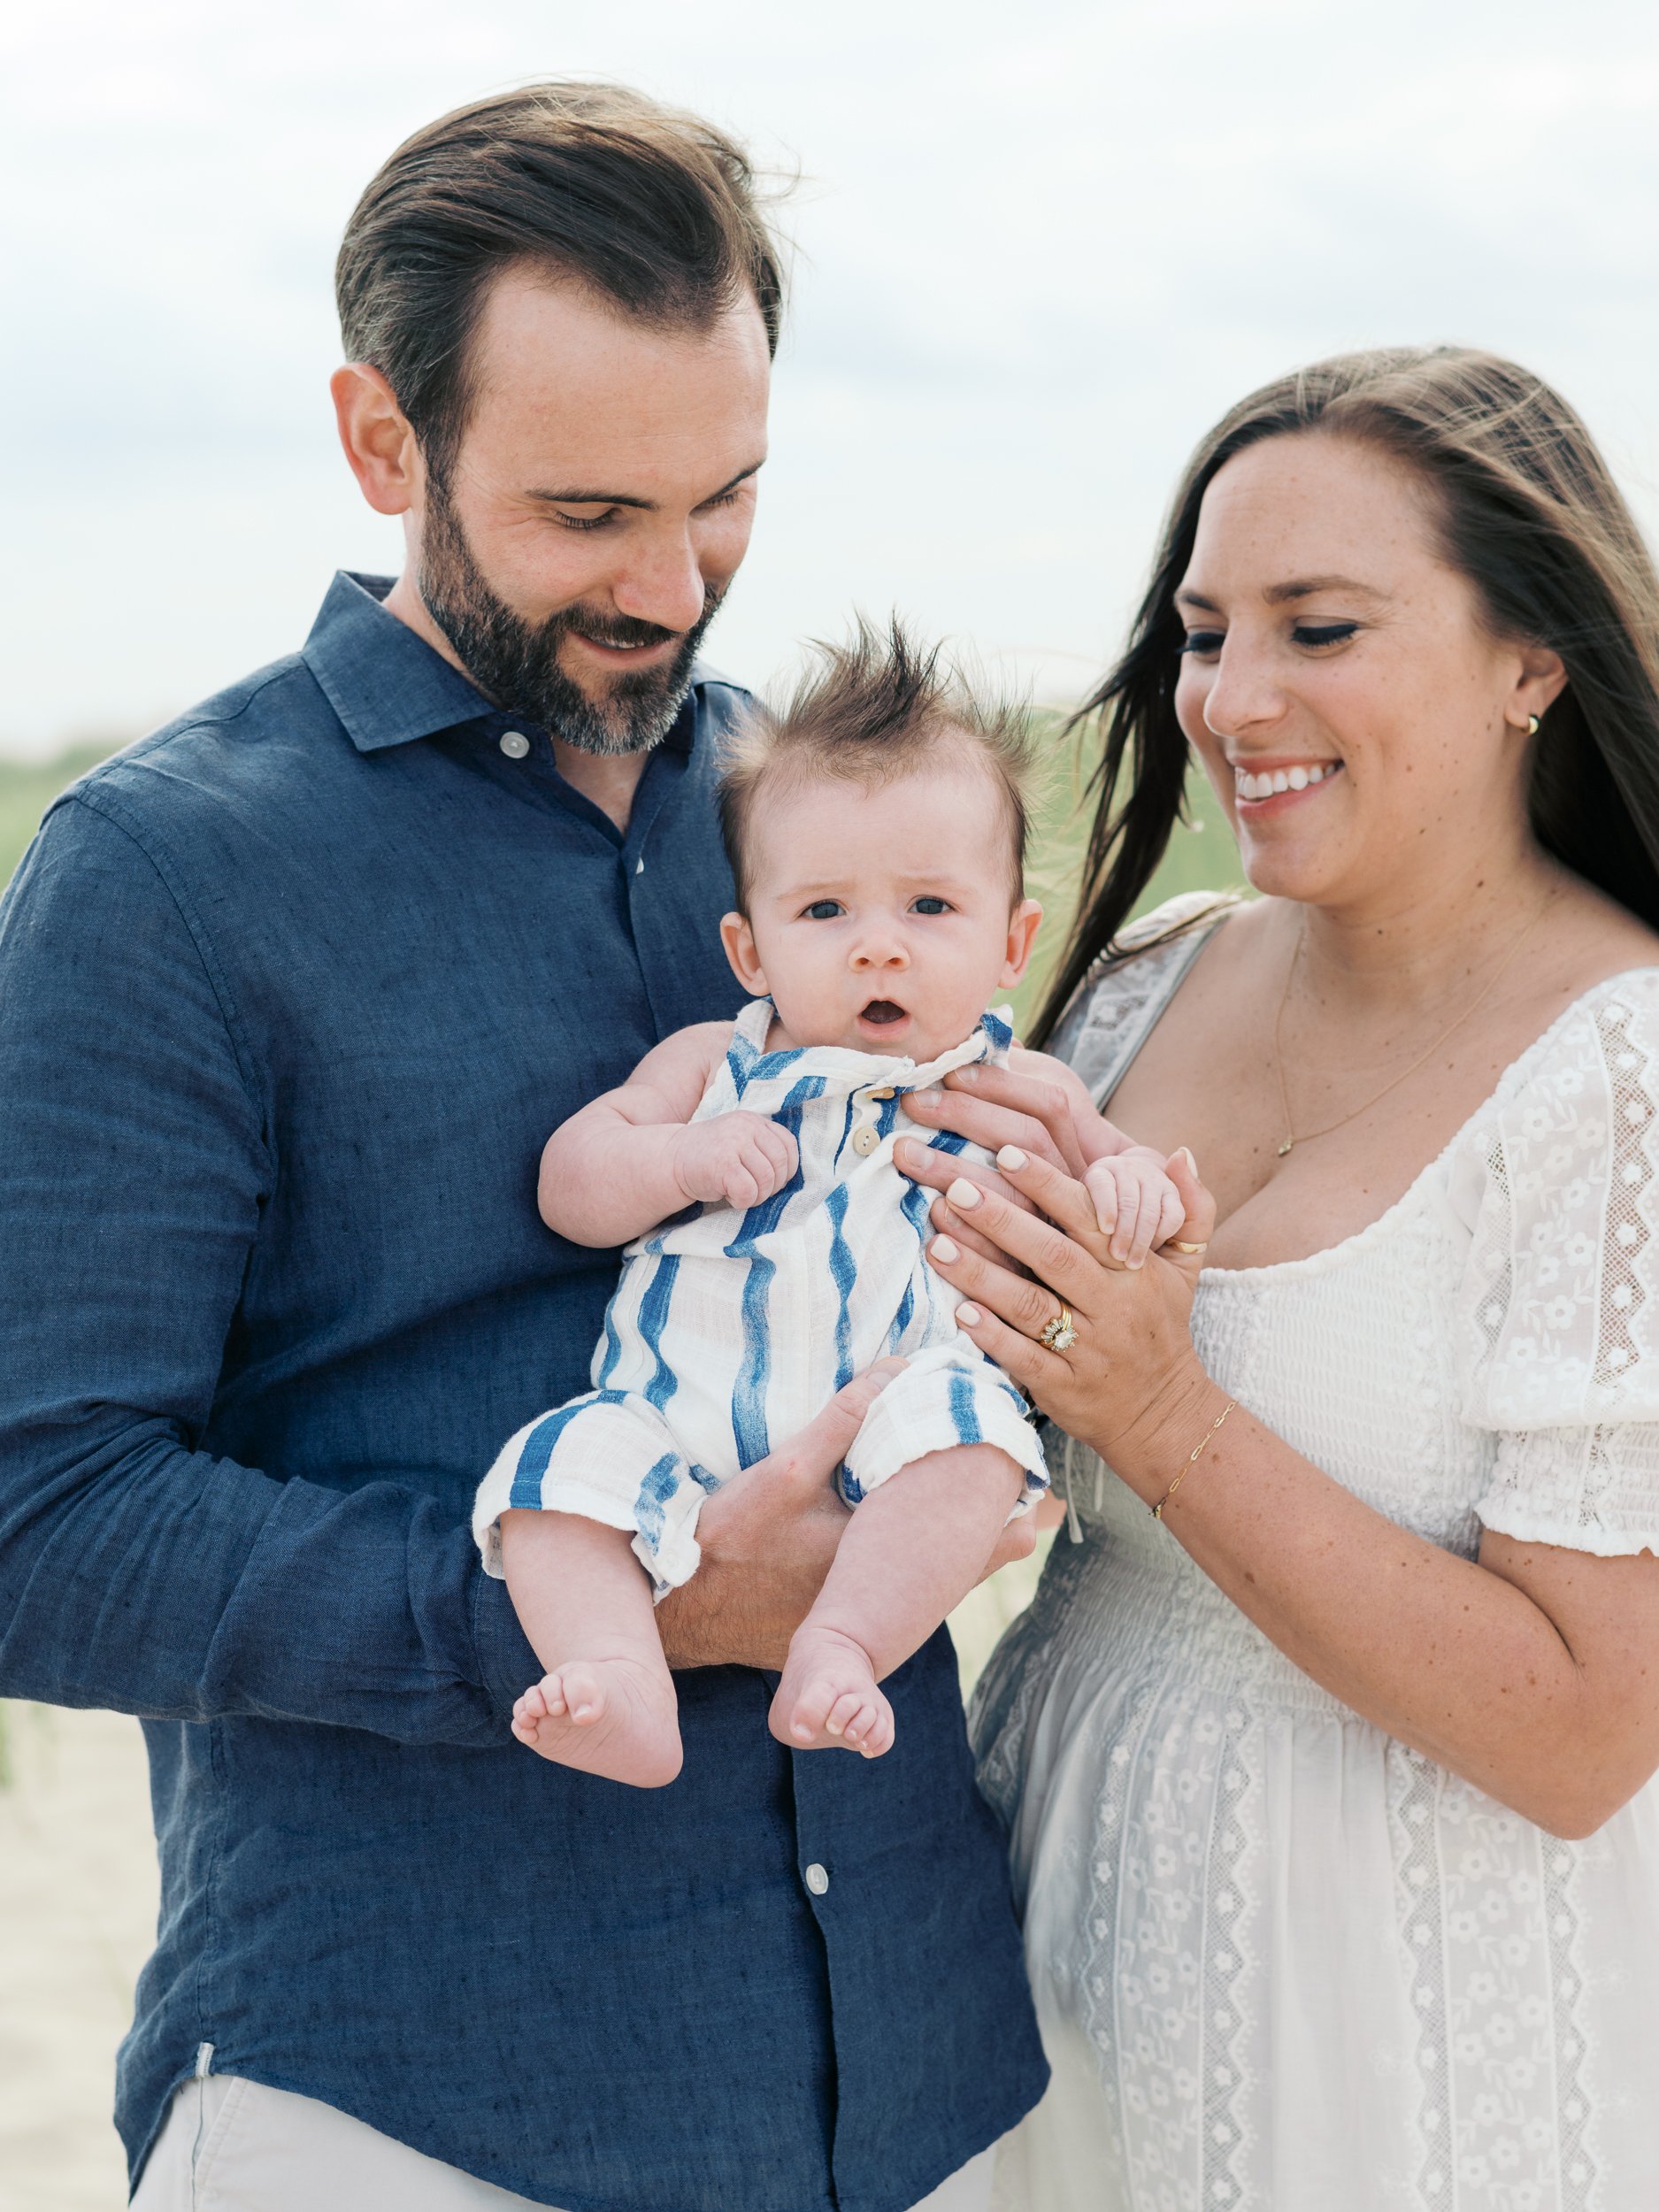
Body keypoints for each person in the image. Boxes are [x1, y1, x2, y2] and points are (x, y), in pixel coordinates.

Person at [0, 84, 1049, 2210]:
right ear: (384, 443)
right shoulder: (161, 878)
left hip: (936, 2080)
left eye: (727, 498)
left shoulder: (814, 817)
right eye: (590, 513)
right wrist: (604, 1612)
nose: (675, 590)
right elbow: (39, 1521)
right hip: (412, 2098)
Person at [889, 348, 1659, 2209]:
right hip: (1041, 1923)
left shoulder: (1621, 1073)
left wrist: (1156, 1409)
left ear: (1527, 660)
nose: (1234, 699)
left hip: (1396, 2017)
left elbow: (1576, 1736)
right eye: (1203, 631)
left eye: (1318, 627)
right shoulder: (1144, 978)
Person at [480, 625, 1185, 1787]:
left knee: (975, 1439)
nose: (877, 953)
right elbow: (571, 1185)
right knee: (554, 1476)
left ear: (1013, 941)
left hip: (892, 1410)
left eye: (927, 908)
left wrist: (1128, 1184)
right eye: (825, 915)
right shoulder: (711, 1064)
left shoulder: (1020, 1087)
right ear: (747, 950)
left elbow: (1129, 1175)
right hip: (675, 1414)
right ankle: (619, 1684)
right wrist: (680, 1163)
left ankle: (842, 1644)